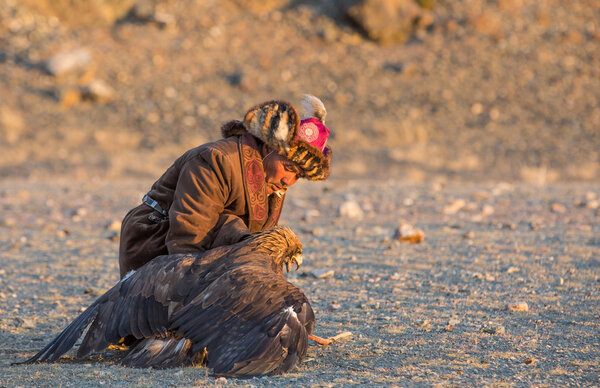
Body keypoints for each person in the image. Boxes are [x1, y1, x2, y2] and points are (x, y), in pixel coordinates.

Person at [118, 95, 332, 278]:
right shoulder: (217, 160)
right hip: (154, 243)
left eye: (299, 176)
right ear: (269, 145)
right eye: (288, 168)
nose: (289, 181)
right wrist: (185, 295)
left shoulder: (272, 177)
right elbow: (187, 236)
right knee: (231, 227)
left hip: (203, 252)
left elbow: (258, 240)